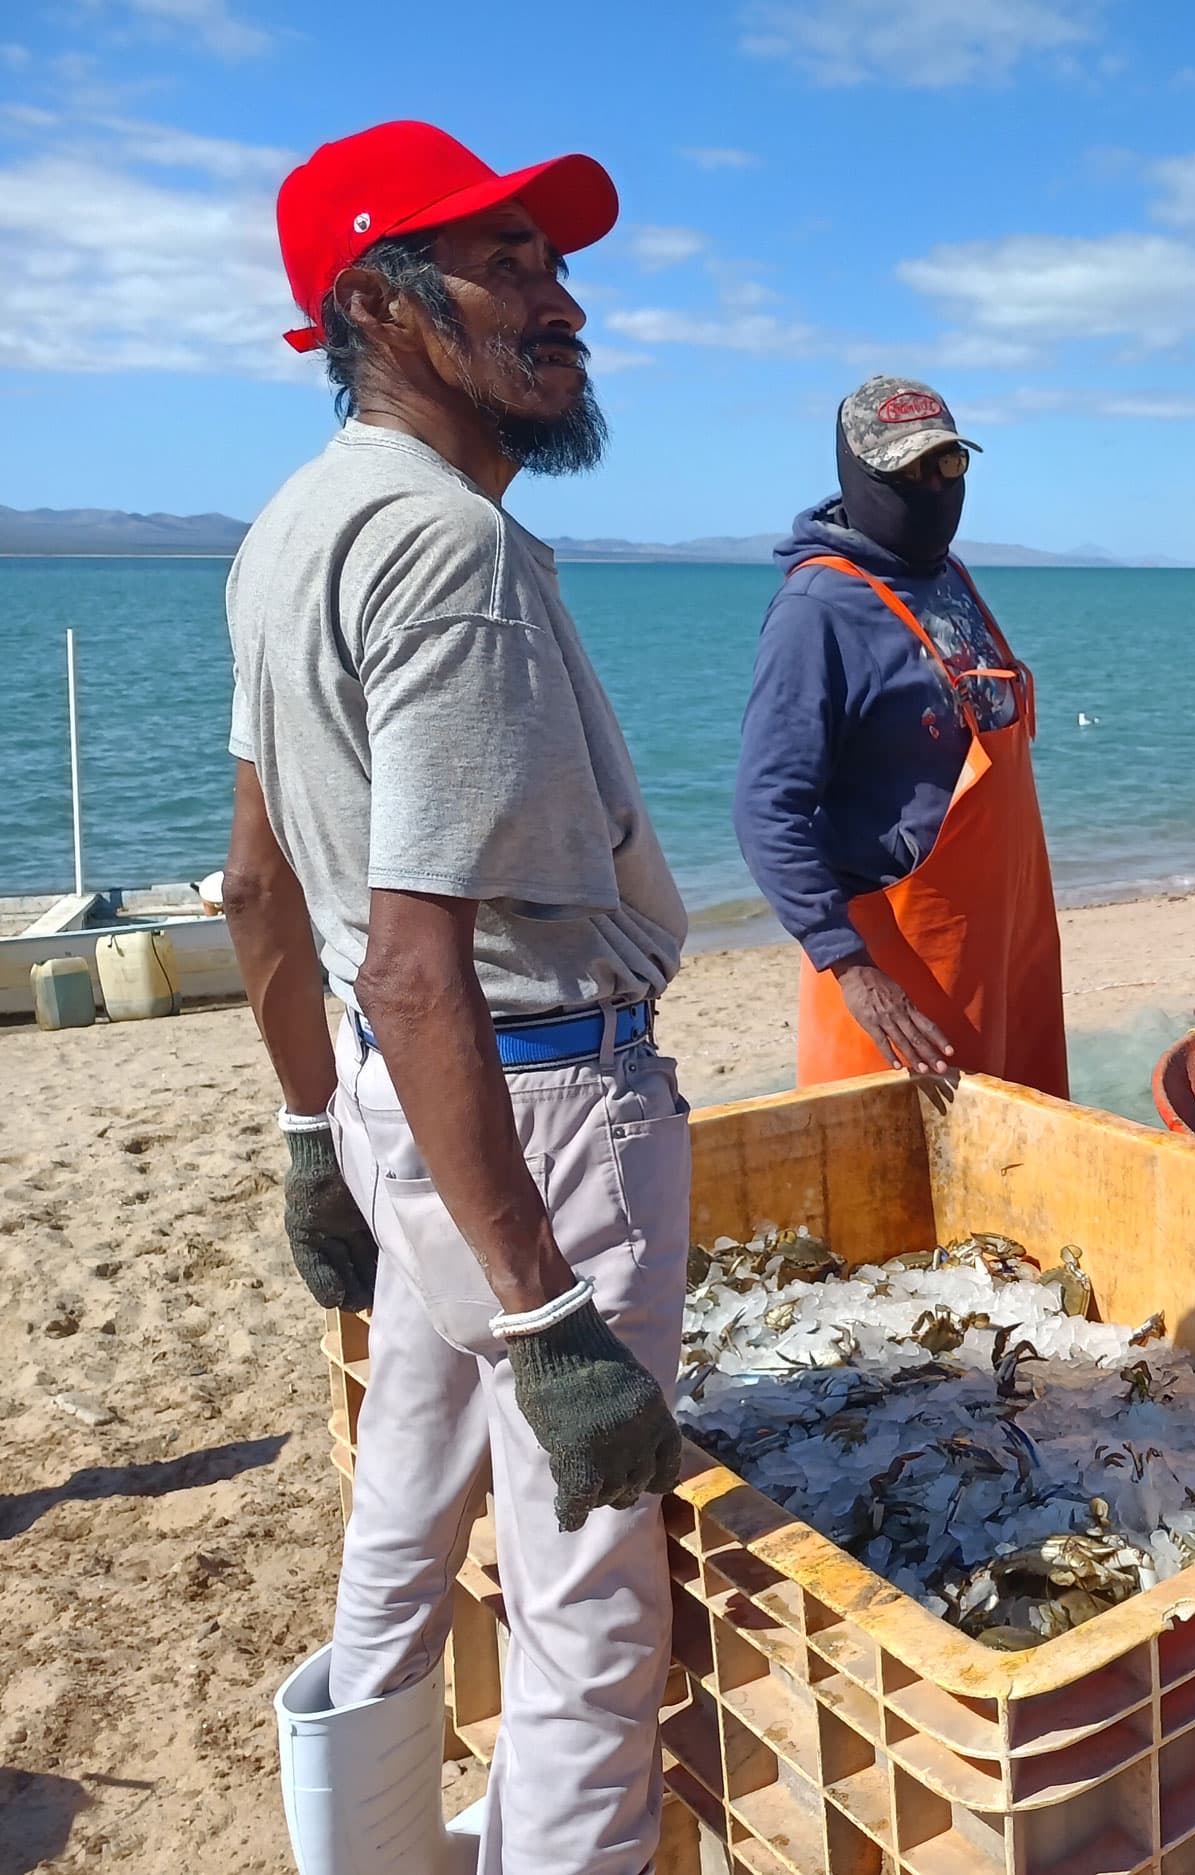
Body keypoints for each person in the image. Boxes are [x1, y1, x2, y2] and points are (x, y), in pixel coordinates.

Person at [222, 120, 689, 1875]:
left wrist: (307, 1137)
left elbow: (264, 888)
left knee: (405, 1520)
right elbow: (417, 953)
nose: (562, 300)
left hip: (402, 1101)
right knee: (586, 1623)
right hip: (533, 1113)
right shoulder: (451, 554)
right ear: (385, 307)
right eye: (508, 263)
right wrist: (548, 1317)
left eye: (551, 262)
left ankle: (368, 1853)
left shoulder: (287, 533)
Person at [734, 375, 1069, 1094]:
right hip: (904, 984)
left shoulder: (950, 577)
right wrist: (850, 967)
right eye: (907, 470)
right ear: (858, 478)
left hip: (1007, 952)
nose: (933, 484)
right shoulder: (818, 610)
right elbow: (768, 809)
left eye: (947, 464)